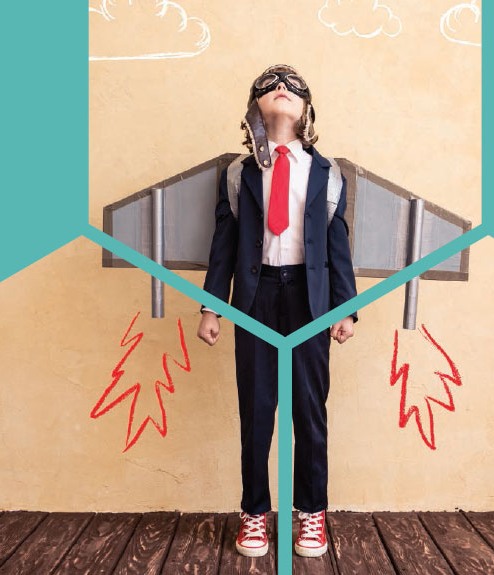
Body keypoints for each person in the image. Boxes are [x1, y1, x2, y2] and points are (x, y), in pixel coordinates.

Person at [196, 64, 358, 559]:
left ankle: (311, 512)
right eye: (270, 86)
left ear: (307, 108)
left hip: (309, 299)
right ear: (254, 107)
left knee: (309, 409)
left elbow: (337, 244)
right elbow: (223, 243)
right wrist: (212, 307)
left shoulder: (326, 174)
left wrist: (343, 309)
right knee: (258, 408)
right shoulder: (238, 174)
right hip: (257, 298)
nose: (281, 90)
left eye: (293, 87)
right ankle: (254, 512)